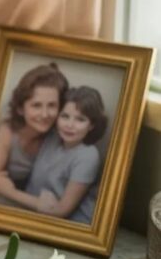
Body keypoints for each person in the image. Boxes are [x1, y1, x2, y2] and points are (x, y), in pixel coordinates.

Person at [18, 87, 108, 224]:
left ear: (91, 125)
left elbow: (62, 211)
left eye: (80, 119)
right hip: (37, 213)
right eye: (65, 116)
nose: (69, 125)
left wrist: (12, 193)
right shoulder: (52, 138)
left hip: (69, 224)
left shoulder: (88, 155)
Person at [0, 62, 68, 205]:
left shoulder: (58, 136)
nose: (45, 114)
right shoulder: (7, 130)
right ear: (20, 109)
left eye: (52, 105)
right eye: (36, 105)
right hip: (2, 199)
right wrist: (36, 203)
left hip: (35, 197)